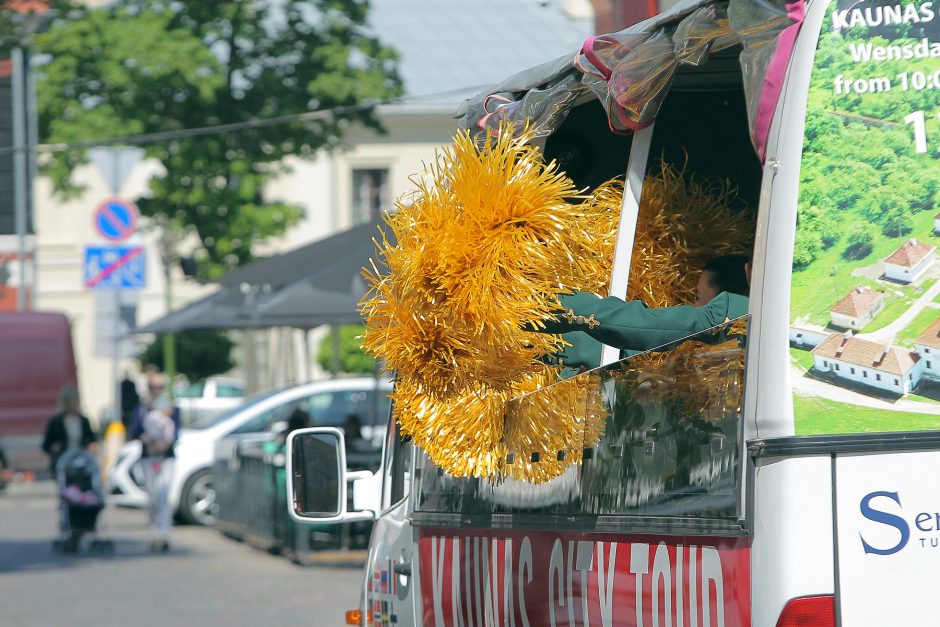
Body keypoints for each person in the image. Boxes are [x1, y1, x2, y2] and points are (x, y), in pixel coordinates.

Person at [538, 254, 751, 371]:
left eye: (698, 296)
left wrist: (537, 306)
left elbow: (646, 326)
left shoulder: (726, 319)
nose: (695, 307)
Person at [129, 373, 180, 553]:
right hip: (148, 458)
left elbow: (176, 432)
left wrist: (163, 444)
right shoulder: (143, 408)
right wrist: (148, 442)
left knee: (164, 495)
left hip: (166, 457)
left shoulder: (171, 408)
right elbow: (134, 431)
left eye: (160, 386)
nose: (157, 390)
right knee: (152, 496)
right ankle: (154, 531)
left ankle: (165, 533)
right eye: (153, 386)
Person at [41, 387, 97, 476]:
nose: (74, 404)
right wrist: (54, 447)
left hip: (81, 456)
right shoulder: (56, 422)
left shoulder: (83, 420)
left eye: (76, 401)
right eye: (71, 401)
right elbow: (46, 446)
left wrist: (91, 445)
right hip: (63, 458)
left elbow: (91, 439)